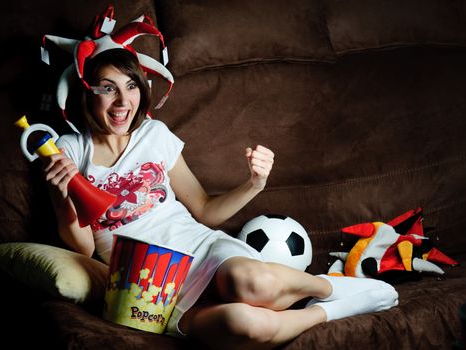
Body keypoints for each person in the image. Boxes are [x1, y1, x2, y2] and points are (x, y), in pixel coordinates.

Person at [44, 48, 398, 349]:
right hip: (150, 291)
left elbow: (205, 210)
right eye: (108, 88)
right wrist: (63, 198)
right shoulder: (69, 151)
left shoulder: (155, 134)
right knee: (249, 325)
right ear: (87, 92)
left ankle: (332, 287)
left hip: (200, 249)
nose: (123, 101)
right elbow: (85, 251)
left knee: (252, 283)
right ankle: (330, 309)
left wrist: (255, 183)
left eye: (131, 85)